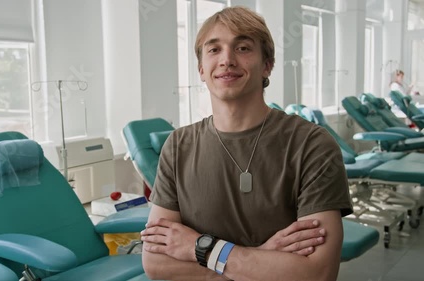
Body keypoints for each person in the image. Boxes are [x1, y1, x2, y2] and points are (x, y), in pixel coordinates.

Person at [140, 6, 353, 281]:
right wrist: (260, 256)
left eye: (242, 48)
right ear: (201, 69)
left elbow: (318, 273)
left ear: (267, 65)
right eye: (214, 49)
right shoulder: (178, 146)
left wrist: (201, 249)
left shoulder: (311, 145)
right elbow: (156, 263)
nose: (227, 60)